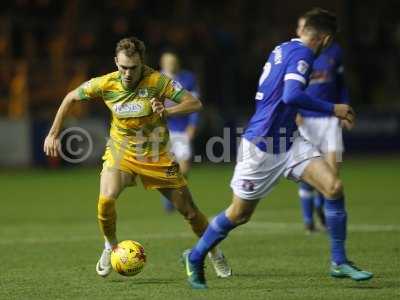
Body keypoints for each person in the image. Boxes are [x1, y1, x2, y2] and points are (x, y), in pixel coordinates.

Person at [181, 9, 373, 289]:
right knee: (239, 214)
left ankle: (339, 261)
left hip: (289, 140)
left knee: (333, 187)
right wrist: (334, 108)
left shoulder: (283, 47)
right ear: (326, 39)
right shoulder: (305, 54)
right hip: (262, 145)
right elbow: (291, 95)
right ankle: (195, 256)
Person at [43, 36, 231, 278]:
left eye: (133, 68)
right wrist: (53, 134)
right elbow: (70, 97)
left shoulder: (157, 81)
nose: (128, 73)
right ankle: (110, 247)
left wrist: (168, 110)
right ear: (115, 62)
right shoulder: (106, 83)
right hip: (121, 153)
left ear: (142, 63)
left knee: (191, 213)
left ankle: (215, 253)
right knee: (105, 201)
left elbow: (194, 103)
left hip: (157, 155)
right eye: (122, 67)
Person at [296, 9, 352, 233]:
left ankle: (322, 211)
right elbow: (290, 89)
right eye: (299, 27)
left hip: (330, 120)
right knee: (307, 174)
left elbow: (341, 83)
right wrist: (294, 112)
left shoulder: (335, 52)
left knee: (332, 173)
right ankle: (309, 220)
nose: (301, 31)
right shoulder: (297, 53)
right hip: (306, 120)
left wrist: (345, 110)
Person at [159, 51, 200, 213]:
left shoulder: (188, 78)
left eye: (173, 62)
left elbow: (195, 103)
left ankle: (172, 193)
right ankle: (170, 197)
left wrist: (193, 125)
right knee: (169, 165)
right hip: (163, 129)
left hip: (183, 129)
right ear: (163, 64)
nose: (171, 65)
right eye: (168, 62)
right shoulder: (156, 80)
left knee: (184, 169)